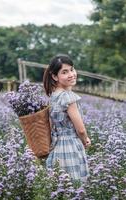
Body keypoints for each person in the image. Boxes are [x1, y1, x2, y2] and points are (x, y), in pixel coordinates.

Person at [43, 54, 91, 182]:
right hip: (72, 147)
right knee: (75, 185)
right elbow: (80, 129)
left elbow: (51, 125)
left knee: (59, 186)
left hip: (56, 147)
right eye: (65, 72)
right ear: (54, 76)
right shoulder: (69, 97)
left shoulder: (53, 97)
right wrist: (85, 140)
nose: (71, 74)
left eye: (72, 69)